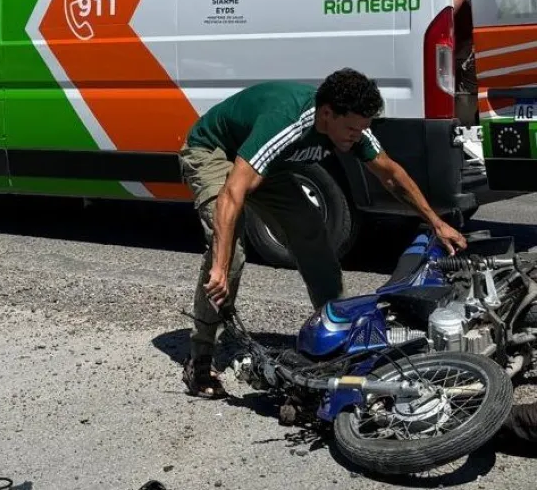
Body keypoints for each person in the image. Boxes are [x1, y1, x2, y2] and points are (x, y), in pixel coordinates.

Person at [178, 68, 468, 398]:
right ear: (327, 113)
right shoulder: (288, 121)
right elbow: (232, 193)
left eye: (363, 128)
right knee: (229, 255)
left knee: (312, 231)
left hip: (266, 167)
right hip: (214, 151)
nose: (357, 136)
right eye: (352, 128)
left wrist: (436, 221)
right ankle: (200, 360)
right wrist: (219, 265)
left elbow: (390, 174)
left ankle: (336, 333)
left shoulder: (354, 127)